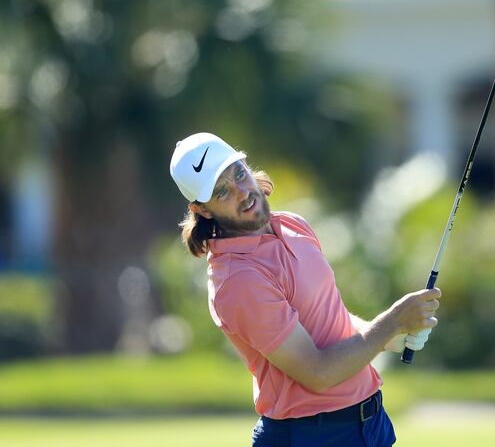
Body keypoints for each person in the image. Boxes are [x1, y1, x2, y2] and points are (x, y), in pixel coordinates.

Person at [169, 132, 441, 447]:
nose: (242, 192)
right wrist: (390, 323)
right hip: (311, 435)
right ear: (202, 209)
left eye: (239, 174)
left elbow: (327, 317)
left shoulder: (292, 224)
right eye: (222, 191)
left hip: (369, 424)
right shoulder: (237, 280)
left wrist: (389, 338)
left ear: (246, 163)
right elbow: (317, 371)